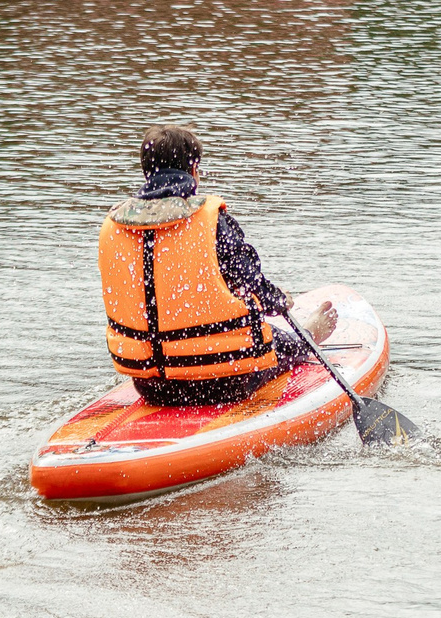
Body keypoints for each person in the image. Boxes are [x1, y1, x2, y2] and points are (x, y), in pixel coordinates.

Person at [97, 125, 334, 407]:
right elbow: (252, 284)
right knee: (279, 340)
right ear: (193, 169)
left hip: (149, 384)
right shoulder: (211, 222)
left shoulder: (114, 226)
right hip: (224, 381)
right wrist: (279, 299)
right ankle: (310, 335)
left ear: (146, 171)